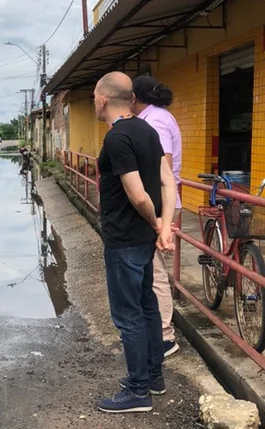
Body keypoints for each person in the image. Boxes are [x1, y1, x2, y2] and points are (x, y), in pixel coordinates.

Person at [93, 72, 177, 413]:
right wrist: (165, 227)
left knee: (128, 316)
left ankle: (138, 392)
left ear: (102, 100)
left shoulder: (117, 139)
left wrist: (158, 223)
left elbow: (138, 195)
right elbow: (167, 182)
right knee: (147, 307)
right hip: (142, 239)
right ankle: (152, 377)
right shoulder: (146, 129)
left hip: (124, 239)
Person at [132, 75, 182, 358]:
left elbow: (163, 170)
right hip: (161, 202)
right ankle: (158, 329)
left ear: (135, 98)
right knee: (151, 270)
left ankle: (164, 336)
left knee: (155, 272)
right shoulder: (158, 117)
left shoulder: (156, 122)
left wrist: (161, 218)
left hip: (160, 204)